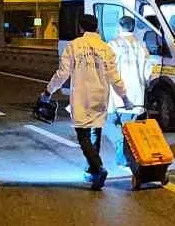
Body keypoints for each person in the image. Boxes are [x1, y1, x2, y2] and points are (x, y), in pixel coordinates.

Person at [44, 14, 130, 190]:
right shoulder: (106, 48)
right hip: (100, 96)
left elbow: (62, 74)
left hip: (81, 97)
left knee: (83, 136)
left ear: (80, 28)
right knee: (95, 133)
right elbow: (115, 77)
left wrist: (48, 91)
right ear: (97, 28)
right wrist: (125, 98)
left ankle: (98, 167)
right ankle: (93, 170)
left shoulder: (74, 46)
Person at [109, 16, 151, 119]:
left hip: (119, 92)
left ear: (119, 26)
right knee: (130, 126)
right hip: (137, 92)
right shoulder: (141, 45)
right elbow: (148, 70)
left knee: (115, 124)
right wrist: (146, 83)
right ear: (133, 27)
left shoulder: (113, 44)